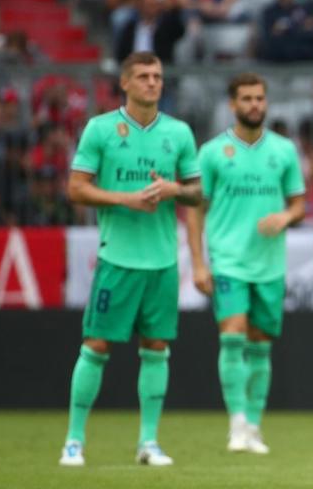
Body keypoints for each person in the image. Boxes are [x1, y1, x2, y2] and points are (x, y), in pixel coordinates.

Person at [60, 52, 203, 467]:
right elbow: (75, 188)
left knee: (156, 347)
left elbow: (197, 193)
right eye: (143, 76)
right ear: (125, 82)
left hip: (161, 262)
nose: (152, 82)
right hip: (116, 259)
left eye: (157, 76)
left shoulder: (178, 133)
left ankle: (148, 443)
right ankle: (73, 441)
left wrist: (174, 190)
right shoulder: (101, 129)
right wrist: (126, 198)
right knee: (96, 344)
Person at [186, 73, 306, 454]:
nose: (255, 104)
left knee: (260, 344)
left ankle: (253, 425)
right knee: (233, 332)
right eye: (247, 99)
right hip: (228, 261)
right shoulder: (211, 153)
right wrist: (199, 264)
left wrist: (284, 218)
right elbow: (195, 211)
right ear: (233, 105)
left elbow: (298, 204)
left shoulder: (284, 151)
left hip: (269, 264)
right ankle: (236, 422)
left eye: (260, 98)